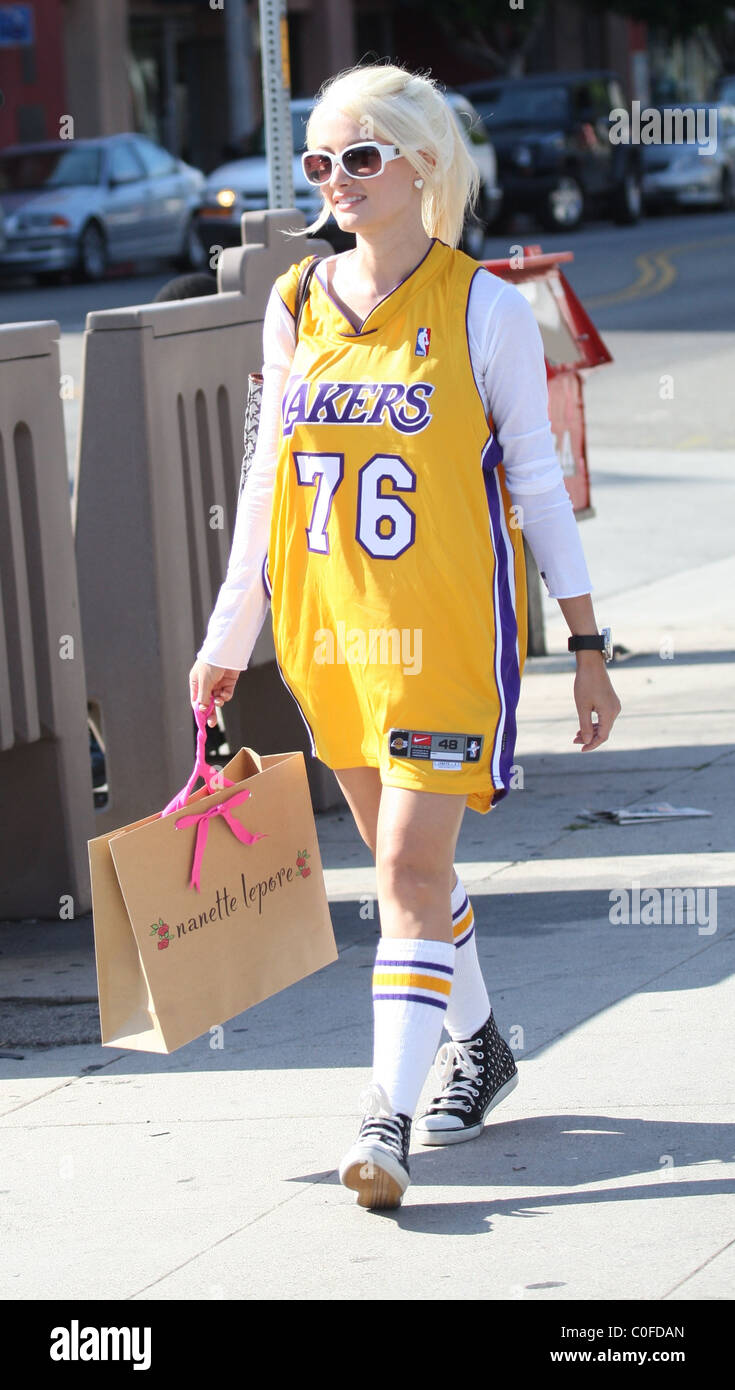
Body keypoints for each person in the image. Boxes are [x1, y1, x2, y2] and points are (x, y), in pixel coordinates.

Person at [189, 62, 622, 1211]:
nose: (335, 180)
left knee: (405, 870)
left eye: (362, 157)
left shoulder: (483, 307)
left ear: (423, 167)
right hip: (330, 638)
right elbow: (269, 482)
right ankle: (480, 1045)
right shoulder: (294, 304)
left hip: (440, 642)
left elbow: (535, 484)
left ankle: (386, 1111)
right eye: (321, 160)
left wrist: (588, 644)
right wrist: (231, 633)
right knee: (408, 875)